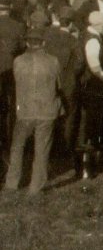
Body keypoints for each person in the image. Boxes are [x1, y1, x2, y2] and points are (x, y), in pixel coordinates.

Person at [3, 28, 60, 196]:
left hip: (25, 111)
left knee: (17, 147)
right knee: (41, 148)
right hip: (47, 111)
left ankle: (11, 183)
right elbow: (59, 85)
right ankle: (36, 187)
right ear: (43, 43)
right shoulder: (53, 61)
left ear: (27, 43)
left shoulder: (18, 61)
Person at [44, 6, 81, 159]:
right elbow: (80, 63)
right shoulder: (73, 41)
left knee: (51, 114)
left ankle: (50, 148)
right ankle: (64, 150)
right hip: (68, 83)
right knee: (69, 116)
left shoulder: (49, 36)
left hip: (49, 81)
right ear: (71, 24)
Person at [78, 10, 103, 173]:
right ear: (98, 25)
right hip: (94, 86)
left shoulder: (88, 35)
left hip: (89, 85)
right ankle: (89, 166)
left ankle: (88, 164)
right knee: (93, 124)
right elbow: (94, 67)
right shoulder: (93, 41)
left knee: (91, 124)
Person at [0, 0, 24, 148]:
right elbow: (22, 48)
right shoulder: (18, 26)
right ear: (10, 8)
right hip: (10, 69)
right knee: (9, 105)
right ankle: (7, 139)